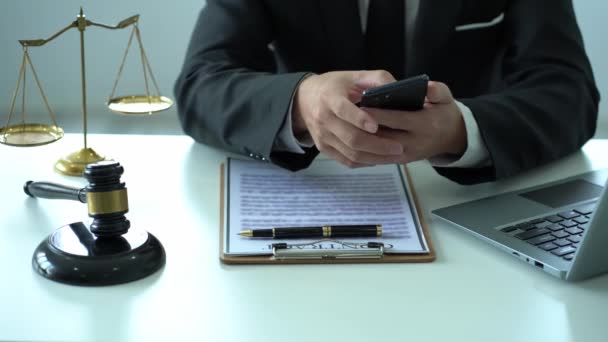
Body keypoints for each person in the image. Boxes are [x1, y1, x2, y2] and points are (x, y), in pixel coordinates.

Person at [174, 0, 599, 185]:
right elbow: (200, 84)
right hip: (315, 189)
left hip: (466, 204)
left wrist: (462, 130)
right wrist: (301, 102)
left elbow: (569, 90)